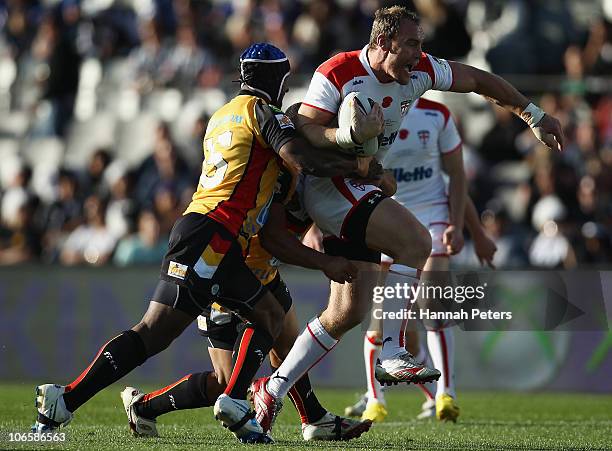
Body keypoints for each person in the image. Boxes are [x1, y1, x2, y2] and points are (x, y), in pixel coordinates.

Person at [32, 43, 371, 445]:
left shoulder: (221, 115)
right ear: (274, 80)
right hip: (214, 234)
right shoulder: (262, 112)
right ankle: (230, 403)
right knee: (170, 330)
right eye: (283, 79)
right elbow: (301, 158)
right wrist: (358, 166)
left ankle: (68, 402)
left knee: (261, 313)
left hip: (200, 230)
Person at [250, 5, 564, 433]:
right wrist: (346, 138)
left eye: (421, 44)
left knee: (347, 312)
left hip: (362, 187)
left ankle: (274, 387)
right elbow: (303, 133)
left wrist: (533, 115)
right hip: (327, 186)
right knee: (417, 242)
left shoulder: (419, 71)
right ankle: (394, 351)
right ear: (382, 43)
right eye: (411, 44)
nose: (419, 55)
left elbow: (477, 80)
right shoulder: (338, 71)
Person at [120, 163, 371, 442]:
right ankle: (144, 407)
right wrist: (324, 262)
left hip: (265, 274)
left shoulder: (313, 173)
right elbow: (274, 238)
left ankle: (313, 418)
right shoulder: (281, 171)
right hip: (233, 275)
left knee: (286, 343)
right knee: (224, 382)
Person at [344, 98, 497, 423]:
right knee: (387, 324)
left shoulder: (436, 114)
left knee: (433, 307)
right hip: (389, 220)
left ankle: (446, 395)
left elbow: (456, 177)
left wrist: (470, 231)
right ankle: (376, 398)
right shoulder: (370, 118)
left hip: (432, 216)